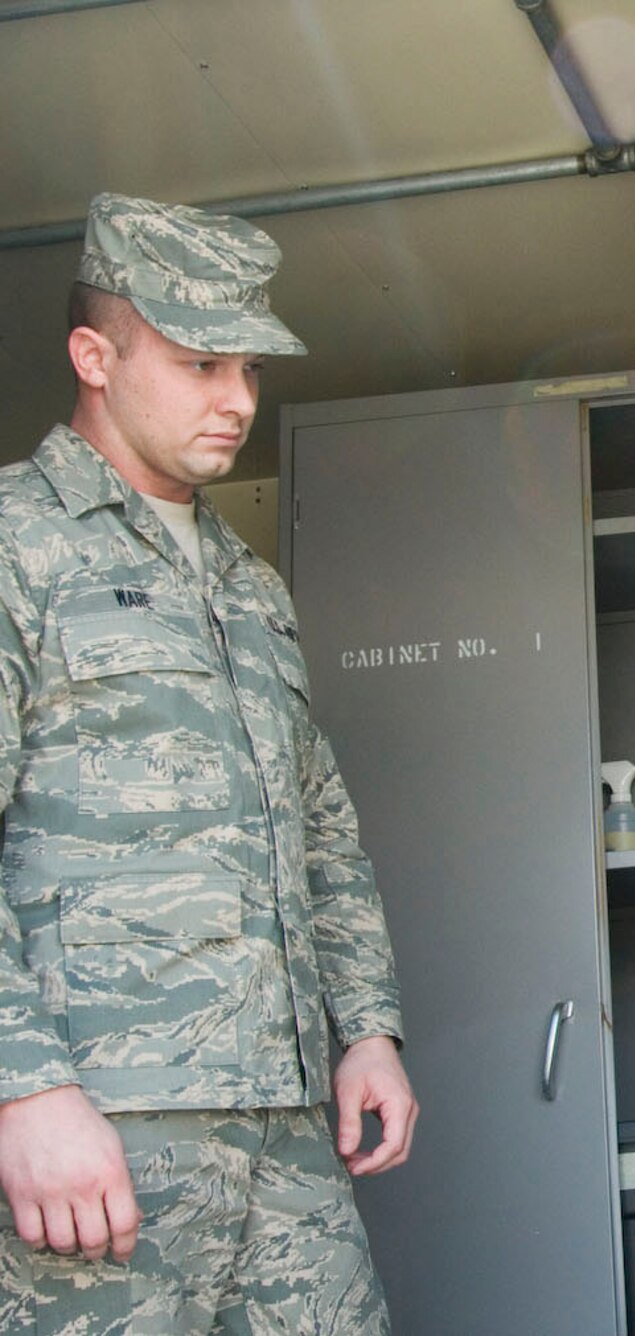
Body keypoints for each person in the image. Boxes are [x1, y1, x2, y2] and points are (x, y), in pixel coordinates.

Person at [0, 194, 416, 1333]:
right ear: (95, 355)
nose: (236, 400)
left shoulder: (247, 584)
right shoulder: (18, 546)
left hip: (281, 1130)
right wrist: (23, 1092)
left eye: (247, 367)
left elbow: (316, 821)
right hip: (102, 1130)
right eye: (198, 363)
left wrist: (365, 1028)